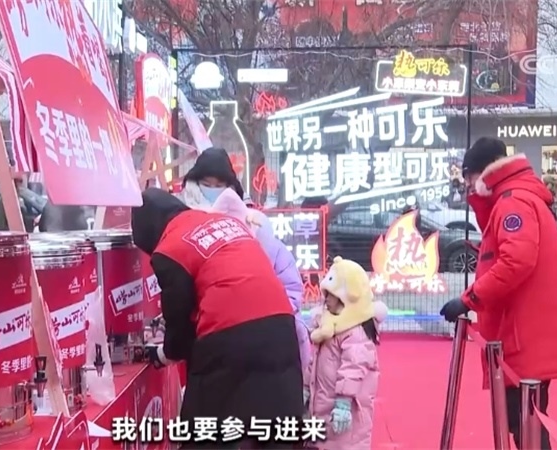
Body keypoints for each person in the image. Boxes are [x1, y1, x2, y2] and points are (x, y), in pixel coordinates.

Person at [132, 188, 304, 449]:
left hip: (228, 336)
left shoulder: (170, 247)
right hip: (281, 327)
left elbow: (179, 328)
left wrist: (162, 354)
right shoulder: (227, 223)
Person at [439, 137, 557, 450]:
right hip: (526, 334)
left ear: (483, 171)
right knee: (526, 425)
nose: (468, 186)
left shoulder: (513, 202)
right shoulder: (519, 198)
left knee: (526, 427)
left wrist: (469, 299)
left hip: (522, 337)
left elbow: (516, 262)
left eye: (469, 177)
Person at [178, 147, 312, 370]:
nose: (213, 191)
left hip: (262, 339)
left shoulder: (257, 227)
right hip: (210, 339)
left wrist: (268, 314)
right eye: (206, 184)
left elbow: (289, 284)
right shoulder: (186, 227)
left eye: (220, 185)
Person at [306, 256, 387, 450]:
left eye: (330, 294)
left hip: (344, 410)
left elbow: (353, 369)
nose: (326, 299)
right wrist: (306, 389)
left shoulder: (355, 332)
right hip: (323, 407)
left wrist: (343, 402)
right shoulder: (327, 327)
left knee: (344, 443)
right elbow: (313, 364)